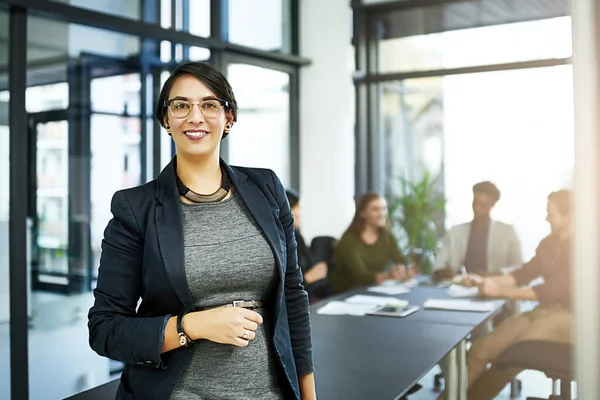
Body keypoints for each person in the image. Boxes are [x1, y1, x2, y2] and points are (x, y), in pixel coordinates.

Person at [88, 62, 315, 400]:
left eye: (209, 104)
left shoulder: (267, 188)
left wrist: (308, 396)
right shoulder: (136, 209)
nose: (195, 116)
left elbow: (293, 298)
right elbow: (105, 330)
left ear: (229, 117)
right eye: (181, 105)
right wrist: (191, 326)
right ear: (166, 120)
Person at [461, 189, 573, 400]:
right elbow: (523, 275)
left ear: (569, 217)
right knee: (479, 349)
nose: (546, 218)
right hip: (543, 311)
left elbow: (548, 292)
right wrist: (486, 281)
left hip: (570, 318)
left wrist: (498, 291)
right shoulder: (549, 244)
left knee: (508, 357)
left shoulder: (584, 248)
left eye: (552, 214)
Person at [432, 181, 522, 281]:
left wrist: (492, 275)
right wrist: (451, 273)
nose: (477, 208)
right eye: (475, 203)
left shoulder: (507, 232)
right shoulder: (455, 232)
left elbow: (519, 268)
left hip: (494, 287)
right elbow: (437, 268)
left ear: (492, 204)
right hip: (459, 287)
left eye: (482, 205)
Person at [329, 192, 417, 293]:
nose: (381, 213)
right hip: (348, 292)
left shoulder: (386, 236)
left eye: (384, 208)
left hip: (373, 290)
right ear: (362, 213)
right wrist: (389, 275)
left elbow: (402, 260)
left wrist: (405, 270)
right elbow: (360, 275)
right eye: (375, 209)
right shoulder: (349, 240)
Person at [285, 189, 329, 301]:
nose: (300, 211)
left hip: (307, 297)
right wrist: (307, 278)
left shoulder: (298, 237)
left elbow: (316, 273)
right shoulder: (278, 242)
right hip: (293, 302)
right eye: (296, 206)